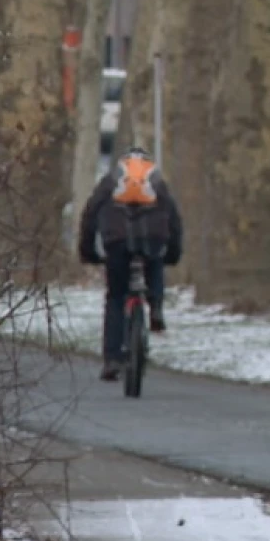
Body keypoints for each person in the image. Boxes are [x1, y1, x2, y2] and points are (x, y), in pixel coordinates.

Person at [78, 147, 183, 382]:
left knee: (116, 296)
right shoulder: (157, 181)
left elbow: (90, 215)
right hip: (152, 239)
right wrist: (173, 254)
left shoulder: (110, 181)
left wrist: (88, 252)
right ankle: (155, 306)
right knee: (154, 263)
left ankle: (112, 359)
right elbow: (175, 222)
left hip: (116, 241)